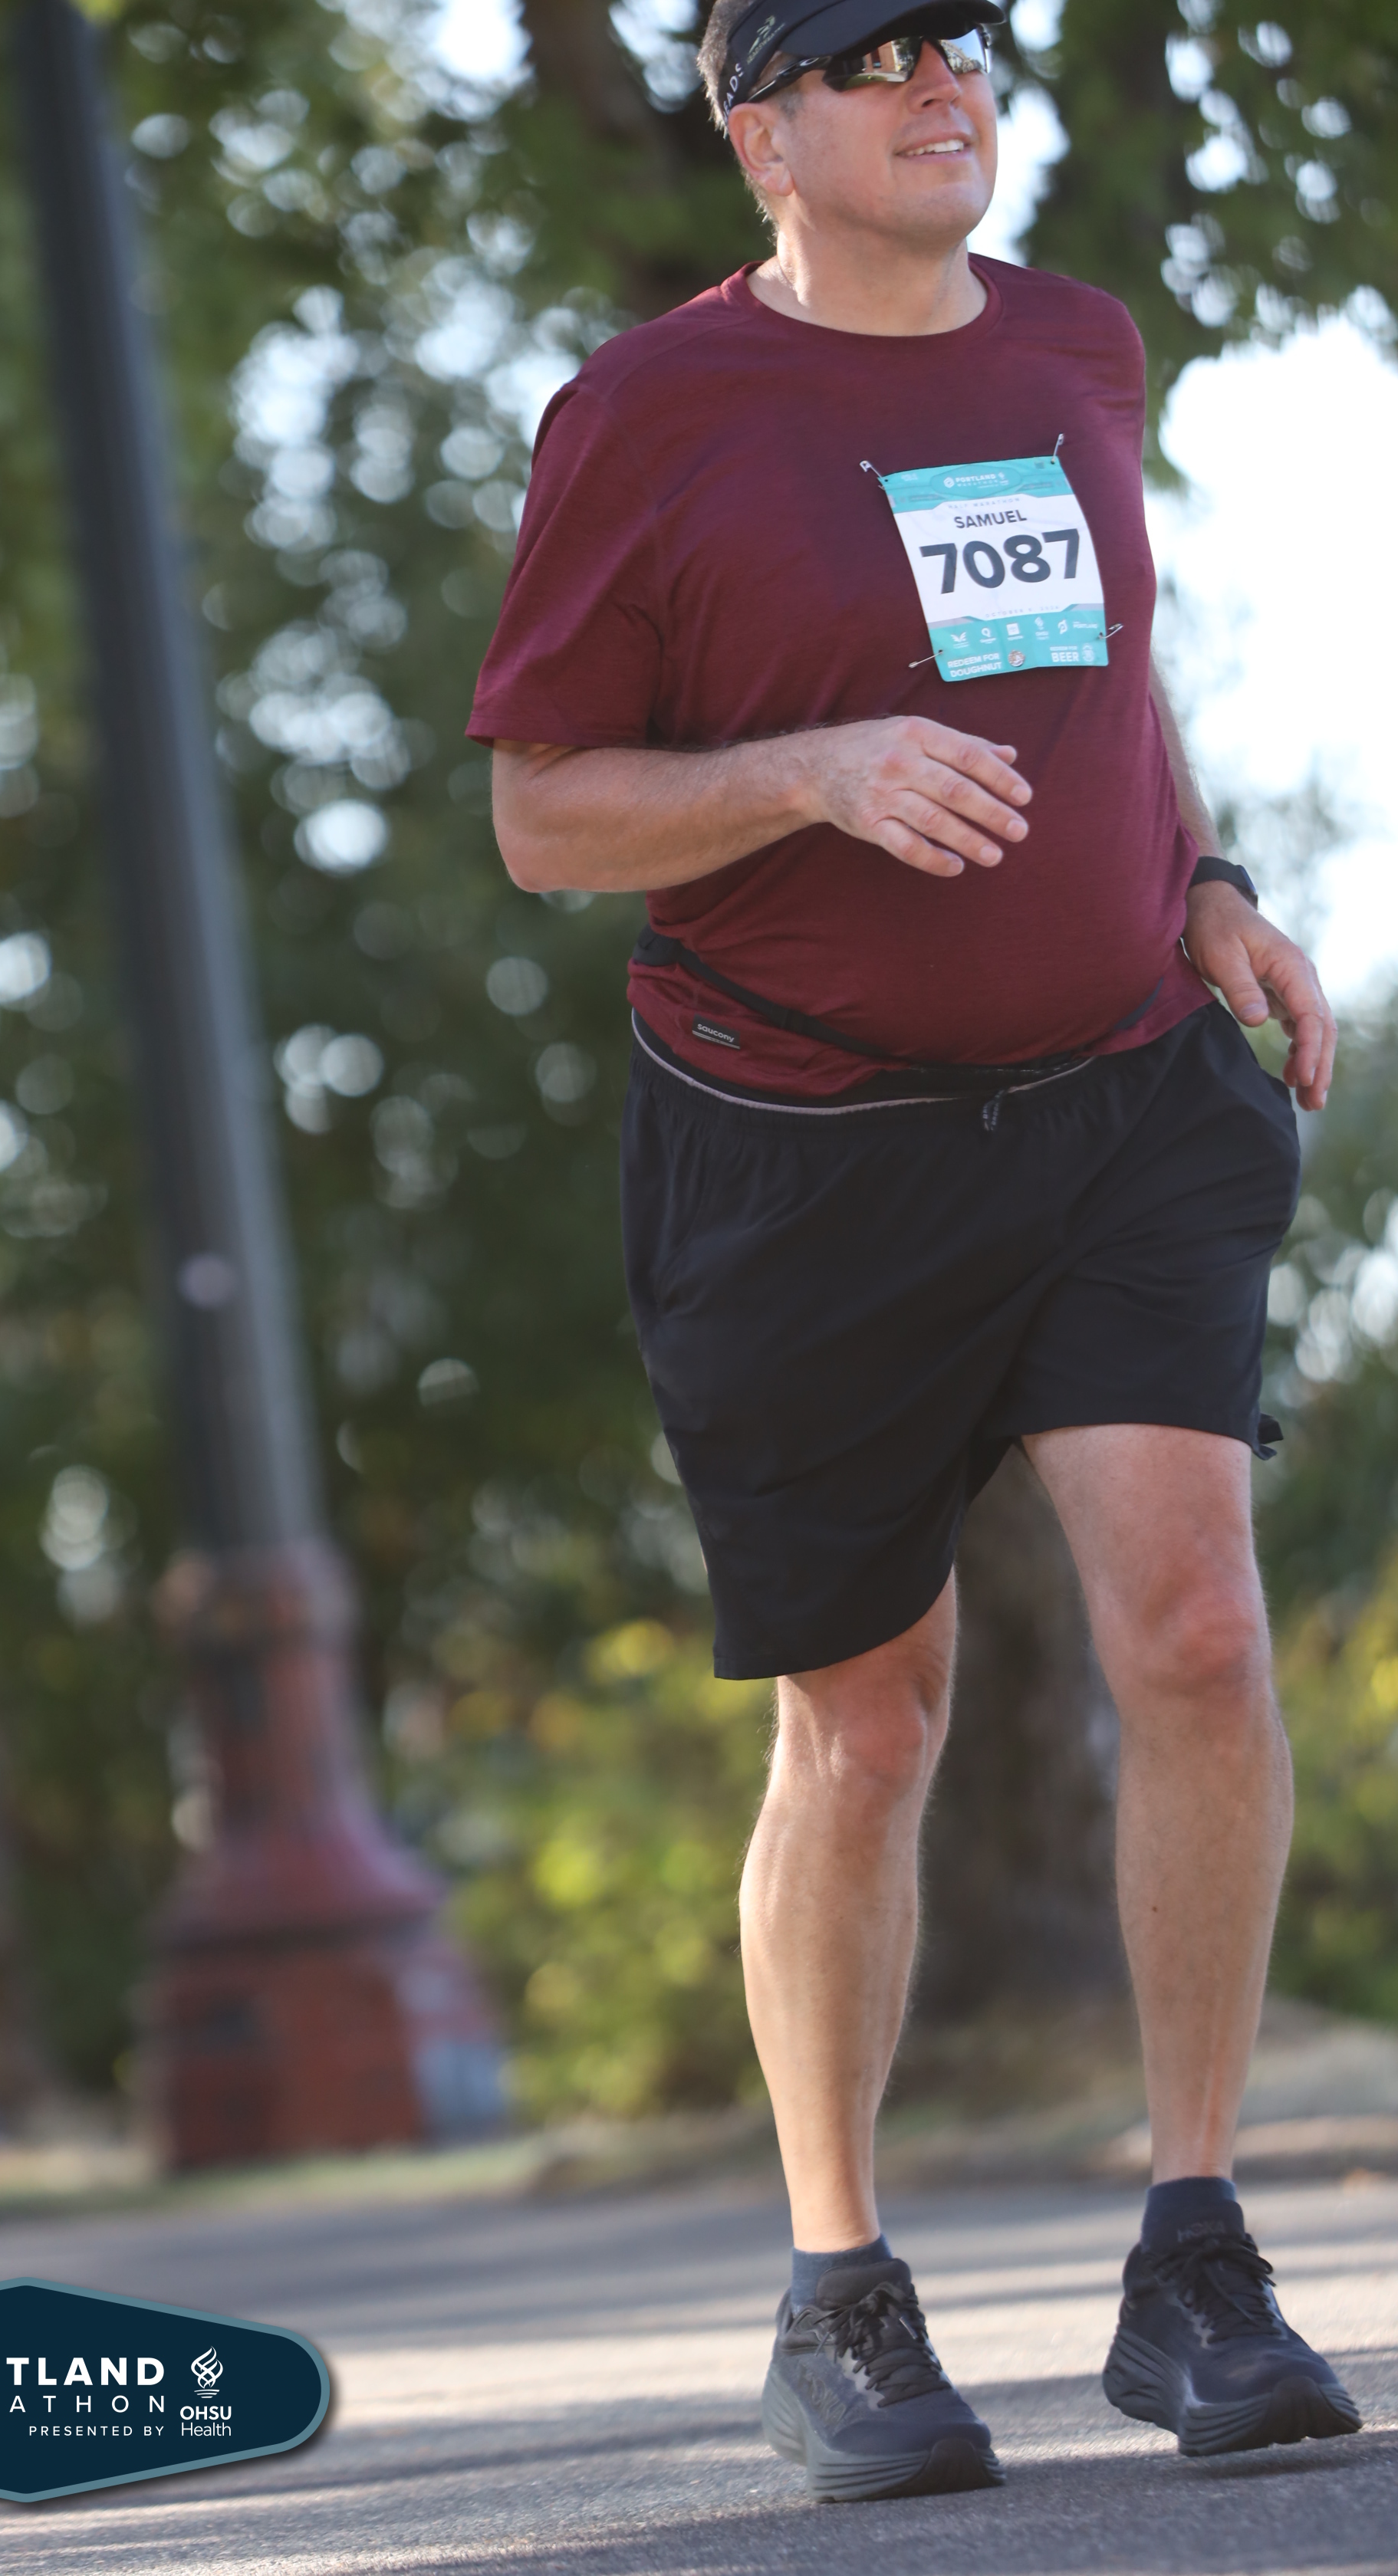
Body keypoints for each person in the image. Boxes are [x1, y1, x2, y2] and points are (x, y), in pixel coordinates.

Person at [468, 0, 1363, 2509]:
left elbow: (1108, 681)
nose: (944, 86)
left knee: (1197, 1628)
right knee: (866, 1729)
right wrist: (810, 773)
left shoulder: (1078, 348)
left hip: (1119, 1102)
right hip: (802, 1155)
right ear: (762, 130)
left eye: (964, 40)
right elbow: (545, 818)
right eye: (874, 60)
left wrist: (1206, 885)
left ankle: (1196, 2254)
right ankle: (839, 2294)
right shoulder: (651, 413)